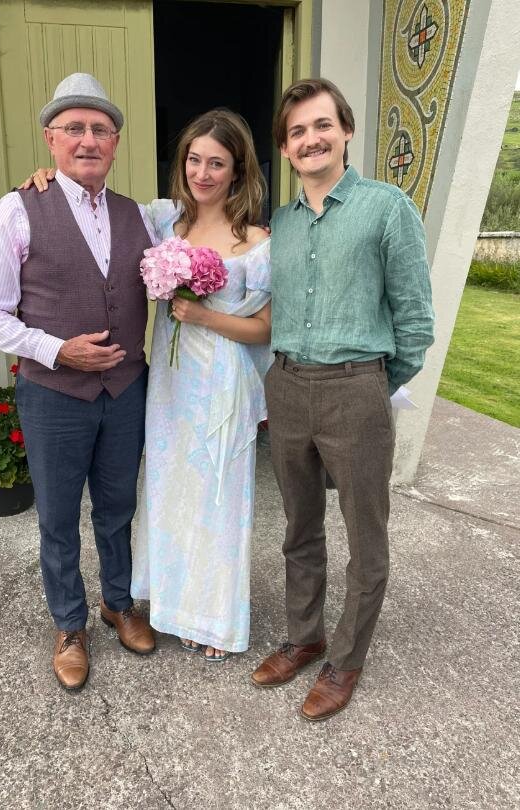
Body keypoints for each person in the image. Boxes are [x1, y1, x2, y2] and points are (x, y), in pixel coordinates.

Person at [26, 109, 271, 660]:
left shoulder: (257, 241)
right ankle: (171, 604)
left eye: (217, 163)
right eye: (193, 160)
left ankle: (213, 617)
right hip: (167, 383)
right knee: (167, 493)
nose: (202, 173)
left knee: (218, 496)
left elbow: (266, 328)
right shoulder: (159, 220)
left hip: (220, 382)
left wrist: (204, 316)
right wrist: (47, 179)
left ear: (238, 170)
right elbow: (85, 203)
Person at [249, 78, 434, 720]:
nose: (311, 139)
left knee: (365, 534)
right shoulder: (280, 223)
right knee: (299, 527)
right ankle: (305, 637)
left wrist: (370, 384)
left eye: (322, 125)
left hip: (356, 388)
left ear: (346, 131)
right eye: (297, 131)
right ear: (285, 147)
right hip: (287, 385)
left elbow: (415, 323)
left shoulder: (386, 208)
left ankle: (346, 659)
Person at [0, 73, 157, 692]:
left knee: (118, 506)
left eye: (100, 129)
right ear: (50, 139)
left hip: (125, 391)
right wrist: (57, 350)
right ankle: (70, 625)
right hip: (54, 395)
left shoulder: (140, 215)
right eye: (73, 128)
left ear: (116, 143)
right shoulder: (18, 208)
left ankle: (117, 602)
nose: (88, 140)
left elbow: (202, 225)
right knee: (56, 515)